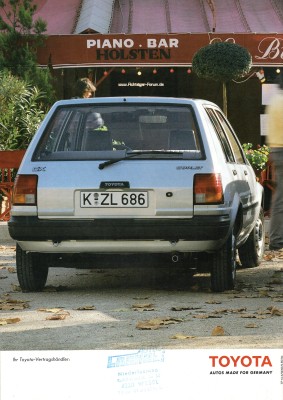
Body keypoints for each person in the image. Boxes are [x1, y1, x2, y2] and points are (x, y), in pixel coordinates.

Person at [266, 73, 283, 251]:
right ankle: (277, 239)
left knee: (280, 198)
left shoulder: (275, 101)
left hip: (277, 149)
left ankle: (277, 238)